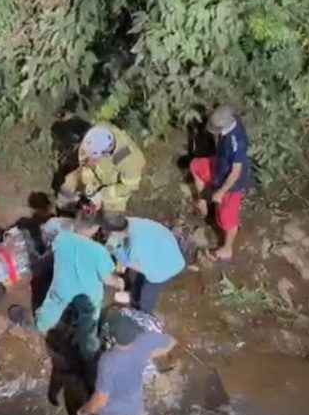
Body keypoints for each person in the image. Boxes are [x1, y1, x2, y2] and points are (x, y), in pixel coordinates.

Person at [69, 314, 176, 415]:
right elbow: (171, 342)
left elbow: (101, 399)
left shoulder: (108, 360)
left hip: (110, 410)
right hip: (133, 404)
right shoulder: (144, 340)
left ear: (112, 338)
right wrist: (148, 354)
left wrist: (84, 412)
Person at [35, 211, 124, 360]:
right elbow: (108, 279)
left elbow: (50, 249)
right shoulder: (99, 251)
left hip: (62, 287)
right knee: (88, 326)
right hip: (87, 296)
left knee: (51, 309)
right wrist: (120, 282)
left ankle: (40, 328)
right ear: (95, 228)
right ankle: (88, 355)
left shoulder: (61, 238)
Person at [189, 106, 251, 261]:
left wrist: (222, 191)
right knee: (196, 166)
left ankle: (227, 248)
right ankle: (203, 203)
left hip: (232, 183)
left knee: (226, 218)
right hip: (220, 167)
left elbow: (235, 172)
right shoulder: (232, 118)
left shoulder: (237, 143)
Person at [103, 216, 186, 314]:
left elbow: (131, 265)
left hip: (166, 267)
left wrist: (116, 251)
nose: (106, 235)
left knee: (145, 300)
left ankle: (142, 314)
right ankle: (132, 293)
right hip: (168, 245)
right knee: (137, 278)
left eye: (108, 234)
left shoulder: (134, 249)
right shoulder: (131, 222)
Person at [57, 122, 145, 213]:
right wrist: (85, 165)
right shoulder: (98, 131)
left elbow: (127, 188)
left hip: (111, 189)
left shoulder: (131, 162)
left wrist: (101, 195)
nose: (92, 160)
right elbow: (84, 151)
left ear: (106, 153)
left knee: (108, 219)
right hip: (94, 173)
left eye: (94, 157)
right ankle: (65, 208)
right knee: (68, 183)